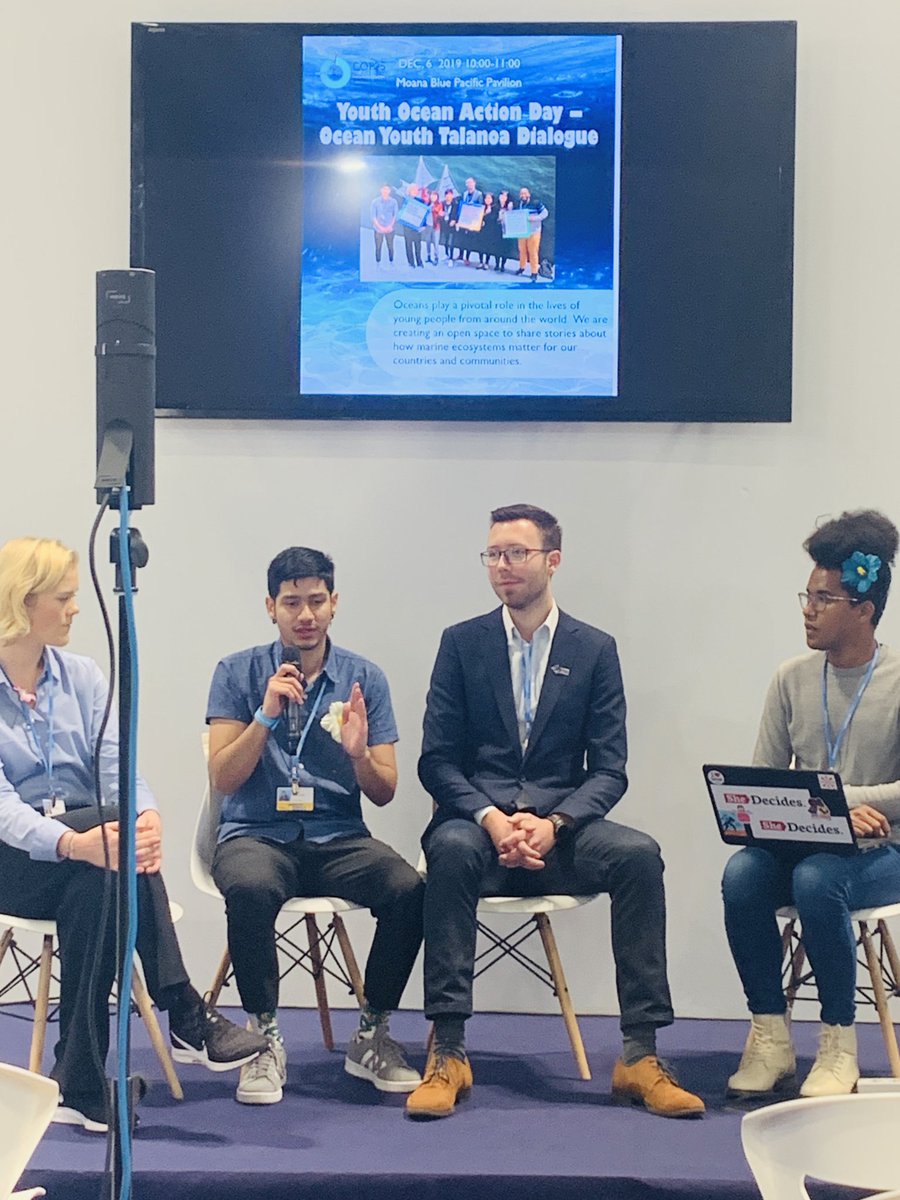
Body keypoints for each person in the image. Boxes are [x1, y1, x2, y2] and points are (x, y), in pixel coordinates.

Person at [406, 505, 704, 1120]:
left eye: (517, 553)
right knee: (450, 849)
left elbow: (610, 769)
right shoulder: (462, 643)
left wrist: (554, 823)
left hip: (560, 831)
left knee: (639, 856)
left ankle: (641, 1054)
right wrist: (491, 818)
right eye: (493, 554)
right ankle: (449, 1051)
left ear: (553, 561)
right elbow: (436, 761)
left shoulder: (593, 649)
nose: (503, 566)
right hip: (478, 827)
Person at [0, 538, 267, 1133]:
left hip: (89, 855)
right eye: (64, 598)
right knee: (101, 842)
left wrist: (146, 816)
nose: (76, 608)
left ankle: (80, 1085)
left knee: (100, 885)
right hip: (14, 857)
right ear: (24, 600)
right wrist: (76, 842)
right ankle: (185, 1010)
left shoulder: (83, 677)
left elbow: (120, 768)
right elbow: (4, 810)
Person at [207, 546, 424, 1105]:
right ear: (270, 607)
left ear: (334, 604)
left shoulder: (363, 678)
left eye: (316, 601)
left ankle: (372, 1033)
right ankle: (263, 1041)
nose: (305, 615)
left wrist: (358, 754)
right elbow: (223, 777)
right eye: (291, 603)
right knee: (250, 887)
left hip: (337, 835)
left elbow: (384, 790)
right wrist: (264, 715)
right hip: (256, 833)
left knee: (409, 889)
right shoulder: (235, 672)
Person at [723, 509, 900, 1098]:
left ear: (864, 609)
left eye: (824, 599)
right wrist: (828, 810)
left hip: (885, 850)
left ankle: (838, 1043)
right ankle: (770, 1036)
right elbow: (764, 782)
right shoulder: (791, 678)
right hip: (806, 841)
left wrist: (841, 801)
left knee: (818, 880)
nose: (808, 609)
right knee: (743, 873)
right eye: (808, 595)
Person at [515, 187, 549, 281]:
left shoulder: (536, 203)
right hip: (522, 231)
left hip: (534, 231)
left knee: (533, 252)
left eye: (525, 193)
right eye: (521, 193)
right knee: (522, 250)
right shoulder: (519, 204)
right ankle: (521, 268)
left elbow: (545, 213)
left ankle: (534, 272)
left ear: (529, 194)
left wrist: (535, 218)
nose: (523, 195)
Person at [370, 184, 398, 266]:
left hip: (390, 229)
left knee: (390, 246)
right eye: (384, 189)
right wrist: (380, 227)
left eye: (387, 189)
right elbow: (373, 216)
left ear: (390, 191)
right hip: (378, 229)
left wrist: (390, 226)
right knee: (378, 246)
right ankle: (378, 262)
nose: (385, 191)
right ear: (380, 190)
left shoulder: (394, 202)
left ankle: (391, 261)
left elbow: (395, 215)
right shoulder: (375, 202)